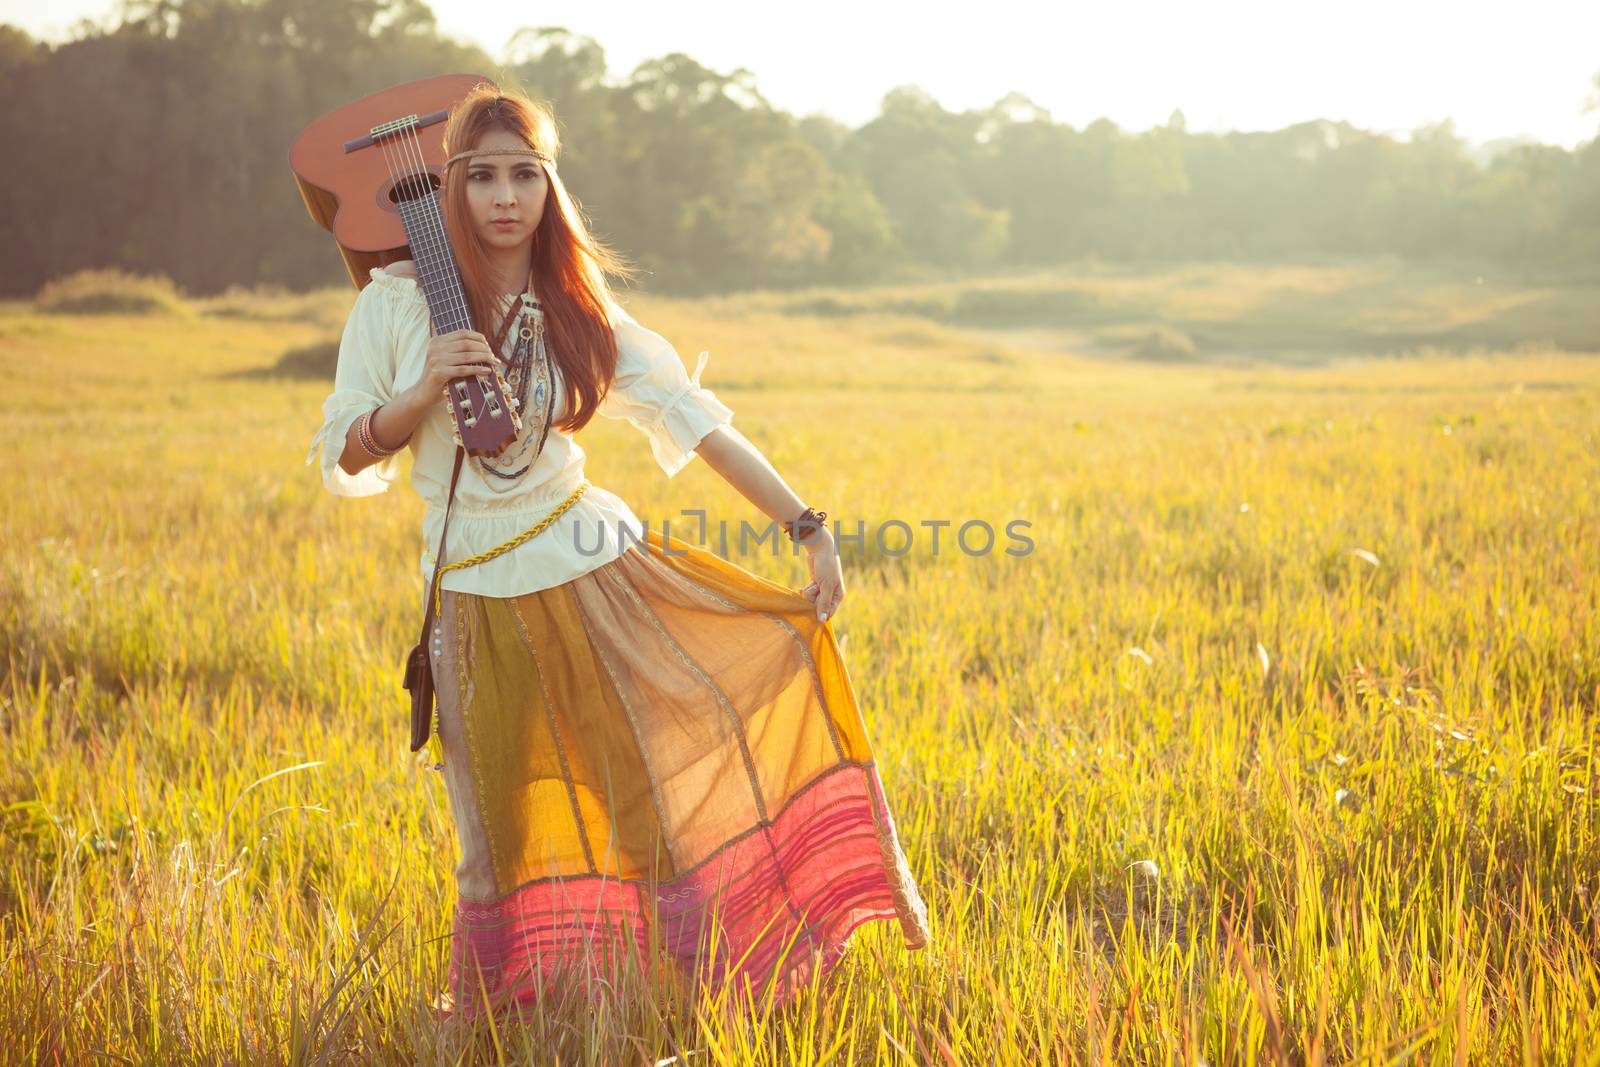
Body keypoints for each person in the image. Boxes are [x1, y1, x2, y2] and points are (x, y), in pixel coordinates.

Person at [305, 84, 929, 1016]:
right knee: (490, 832)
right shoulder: (395, 307)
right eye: (482, 177)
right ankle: (493, 1015)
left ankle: (701, 991)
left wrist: (808, 523)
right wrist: (420, 391)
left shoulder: (574, 305)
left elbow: (696, 421)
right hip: (475, 598)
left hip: (599, 571)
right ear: (451, 188)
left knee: (645, 801)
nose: (506, 196)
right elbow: (341, 454)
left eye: (526, 174)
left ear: (552, 186)